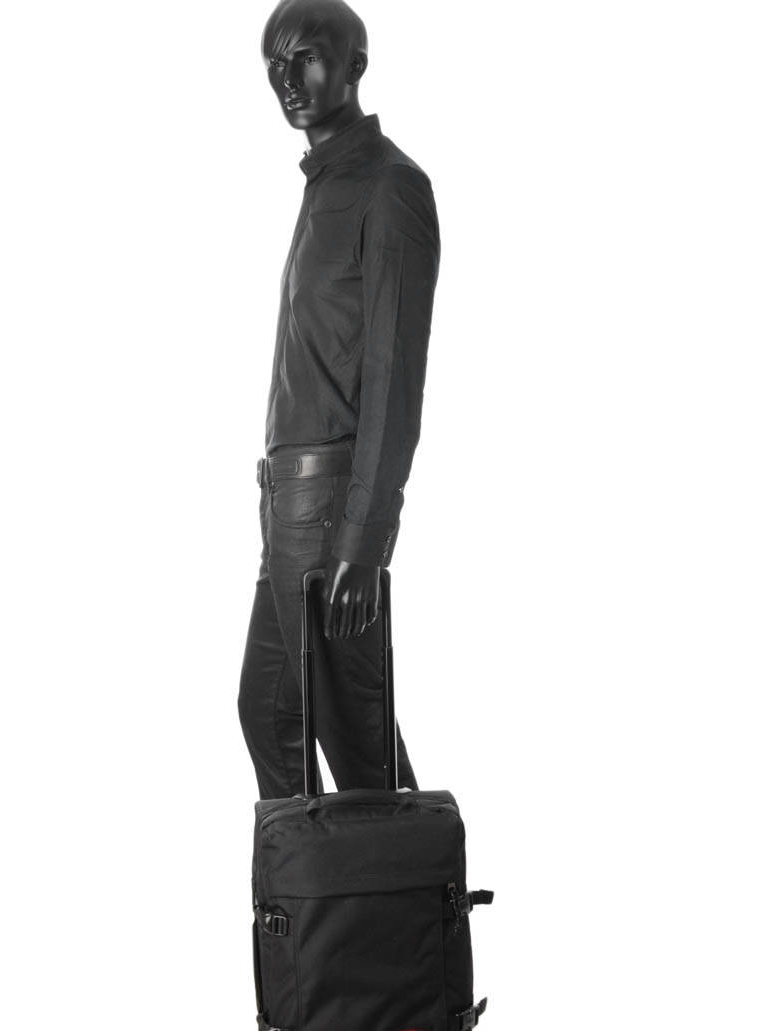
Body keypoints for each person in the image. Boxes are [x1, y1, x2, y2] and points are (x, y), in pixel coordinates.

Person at [238, 0, 441, 800]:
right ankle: (310, 884)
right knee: (269, 711)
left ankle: (407, 886)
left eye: (307, 57)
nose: (288, 79)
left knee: (357, 745)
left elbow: (395, 376)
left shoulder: (389, 188)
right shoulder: (324, 185)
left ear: (356, 64)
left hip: (330, 510)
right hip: (288, 503)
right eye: (274, 65)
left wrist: (366, 538)